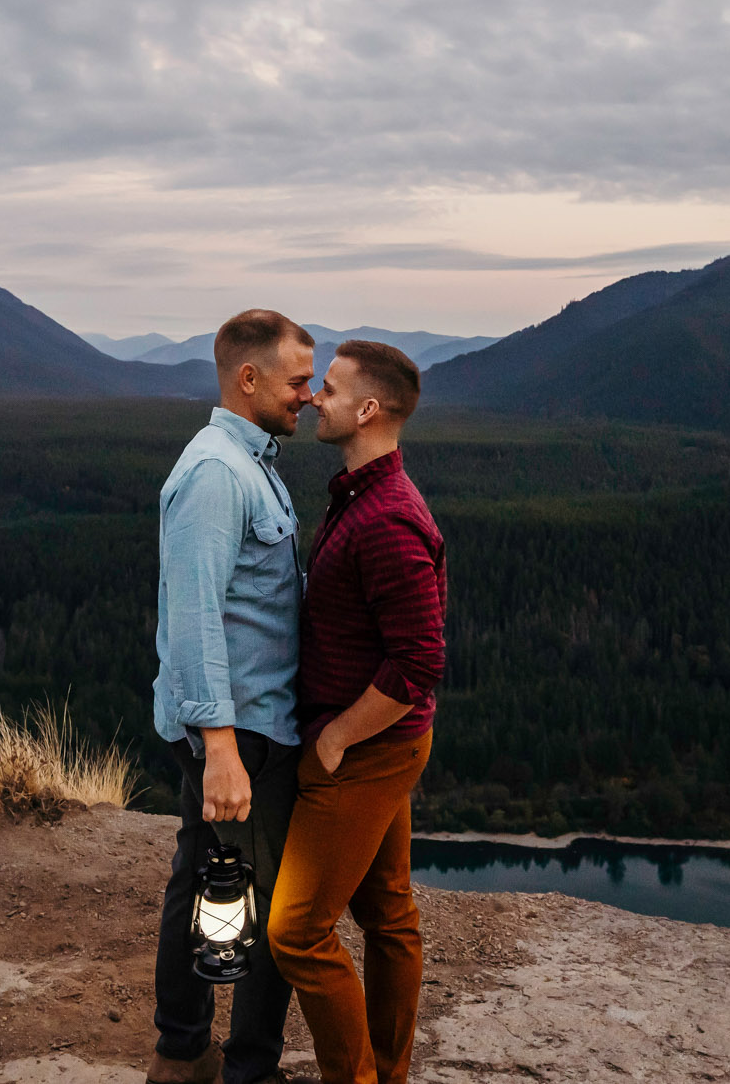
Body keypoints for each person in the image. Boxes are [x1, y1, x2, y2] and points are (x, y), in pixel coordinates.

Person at [268, 341, 446, 1084]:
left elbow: (420, 662)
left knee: (297, 931)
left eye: (331, 389)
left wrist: (336, 737)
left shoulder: (386, 519)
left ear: (369, 410)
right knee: (389, 914)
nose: (315, 397)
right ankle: (391, 1072)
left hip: (368, 747)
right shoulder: (359, 494)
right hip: (386, 742)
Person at [147, 309, 318, 1084]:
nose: (308, 397)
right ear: (247, 378)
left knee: (201, 872)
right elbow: (194, 618)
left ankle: (182, 1052)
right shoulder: (219, 472)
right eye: (296, 380)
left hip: (247, 725)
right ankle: (249, 1068)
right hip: (241, 731)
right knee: (273, 899)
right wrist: (221, 747)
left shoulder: (252, 458)